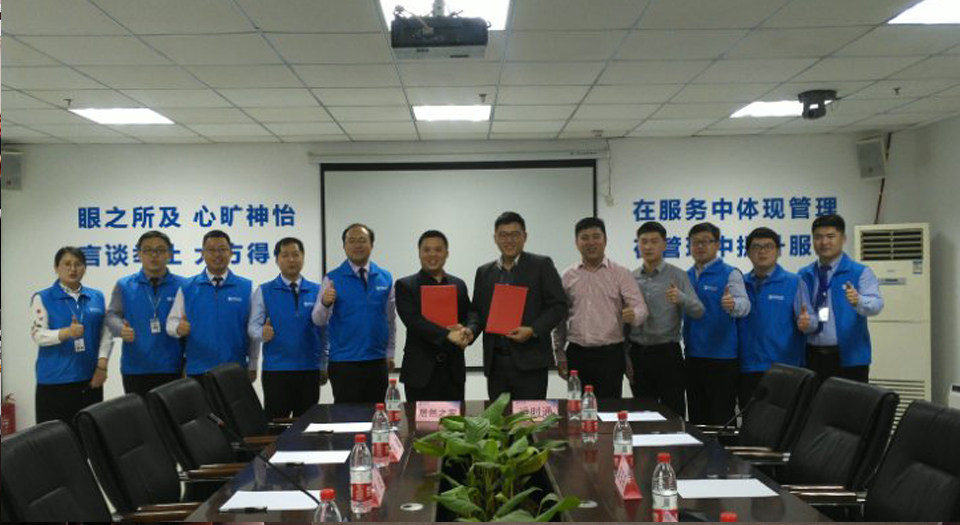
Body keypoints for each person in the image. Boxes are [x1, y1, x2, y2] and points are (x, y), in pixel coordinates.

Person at [471, 212, 567, 400]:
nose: (509, 240)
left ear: (525, 236)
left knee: (529, 417)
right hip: (496, 364)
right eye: (503, 235)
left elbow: (558, 306)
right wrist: (470, 330)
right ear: (495, 238)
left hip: (531, 362)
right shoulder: (484, 272)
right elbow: (477, 311)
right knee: (498, 417)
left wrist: (533, 330)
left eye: (515, 234)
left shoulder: (541, 265)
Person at [553, 217, 647, 399]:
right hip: (577, 354)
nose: (591, 242)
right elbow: (560, 319)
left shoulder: (621, 273)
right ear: (576, 242)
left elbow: (640, 307)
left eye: (596, 236)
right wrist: (560, 354)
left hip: (610, 355)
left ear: (605, 240)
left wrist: (634, 315)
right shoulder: (567, 275)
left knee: (609, 408)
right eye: (585, 237)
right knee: (578, 408)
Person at [312, 223, 396, 403]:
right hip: (344, 362)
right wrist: (325, 302)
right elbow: (318, 320)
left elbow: (390, 319)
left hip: (376, 360)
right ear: (344, 246)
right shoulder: (332, 278)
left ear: (371, 245)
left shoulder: (385, 277)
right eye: (351, 241)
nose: (357, 245)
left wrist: (390, 352)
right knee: (345, 415)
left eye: (362, 240)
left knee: (376, 413)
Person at [30, 247, 112, 425]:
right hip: (55, 381)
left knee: (90, 435)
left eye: (78, 264)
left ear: (85, 268)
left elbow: (106, 333)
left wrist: (102, 366)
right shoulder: (43, 297)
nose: (73, 269)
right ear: (56, 267)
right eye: (67, 264)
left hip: (90, 379)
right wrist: (66, 333)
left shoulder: (96, 296)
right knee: (56, 437)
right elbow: (38, 335)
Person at [629, 222, 703, 418]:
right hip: (638, 354)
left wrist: (682, 298)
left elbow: (699, 311)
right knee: (642, 414)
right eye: (643, 241)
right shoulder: (630, 278)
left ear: (664, 244)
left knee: (673, 412)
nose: (648, 246)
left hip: (667, 354)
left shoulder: (678, 275)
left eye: (654, 241)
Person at [799, 214, 883, 383]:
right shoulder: (804, 274)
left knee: (849, 401)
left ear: (843, 239)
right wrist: (804, 322)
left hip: (850, 358)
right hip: (811, 356)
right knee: (812, 400)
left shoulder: (860, 272)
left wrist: (858, 301)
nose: (824, 242)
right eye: (818, 237)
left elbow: (876, 304)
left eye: (830, 236)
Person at [248, 237, 326, 419]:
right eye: (285, 255)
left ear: (303, 257)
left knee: (307, 424)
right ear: (277, 259)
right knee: (276, 423)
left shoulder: (317, 291)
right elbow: (252, 326)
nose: (291, 260)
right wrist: (262, 333)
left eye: (296, 255)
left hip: (309, 369)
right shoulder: (264, 290)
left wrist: (324, 363)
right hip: (276, 371)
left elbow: (325, 332)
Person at [166, 230, 257, 382]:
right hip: (198, 369)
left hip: (235, 368)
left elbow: (253, 331)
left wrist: (253, 364)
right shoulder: (187, 287)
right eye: (211, 250)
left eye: (222, 249)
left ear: (231, 253)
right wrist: (178, 328)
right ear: (202, 254)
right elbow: (171, 322)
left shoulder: (246, 288)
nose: (217, 254)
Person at [397, 230, 477, 402]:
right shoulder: (405, 285)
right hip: (420, 372)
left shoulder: (458, 284)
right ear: (419, 253)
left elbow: (471, 314)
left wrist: (467, 330)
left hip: (453, 371)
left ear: (446, 253)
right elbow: (413, 321)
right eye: (427, 250)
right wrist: (448, 334)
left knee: (455, 418)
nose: (432, 254)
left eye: (438, 250)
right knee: (419, 420)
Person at [684, 222, 750, 425]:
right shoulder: (686, 276)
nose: (700, 246)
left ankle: (725, 449)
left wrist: (732, 305)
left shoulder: (730, 273)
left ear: (718, 244)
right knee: (697, 419)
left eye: (706, 241)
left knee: (722, 418)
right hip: (693, 356)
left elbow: (745, 304)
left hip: (722, 359)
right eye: (695, 242)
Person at [104, 231, 185, 397]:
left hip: (172, 366)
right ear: (139, 254)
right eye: (148, 250)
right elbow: (111, 314)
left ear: (170, 254)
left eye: (160, 250)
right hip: (136, 367)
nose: (154, 255)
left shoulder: (183, 285)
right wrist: (120, 329)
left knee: (172, 414)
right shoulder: (124, 285)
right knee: (139, 413)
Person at [738, 227, 813, 403]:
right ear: (747, 253)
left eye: (768, 246)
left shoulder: (794, 282)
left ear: (778, 251)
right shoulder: (740, 283)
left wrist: (807, 323)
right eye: (756, 247)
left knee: (783, 418)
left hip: (785, 367)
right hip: (747, 366)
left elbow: (809, 319)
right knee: (750, 416)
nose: (762, 251)